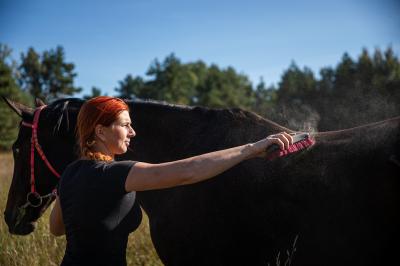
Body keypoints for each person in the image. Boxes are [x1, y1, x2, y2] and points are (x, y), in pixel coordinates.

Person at [49, 96, 293, 266]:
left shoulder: (69, 173)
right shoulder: (116, 174)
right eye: (125, 125)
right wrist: (251, 149)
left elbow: (56, 228)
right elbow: (187, 172)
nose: (133, 132)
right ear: (100, 131)